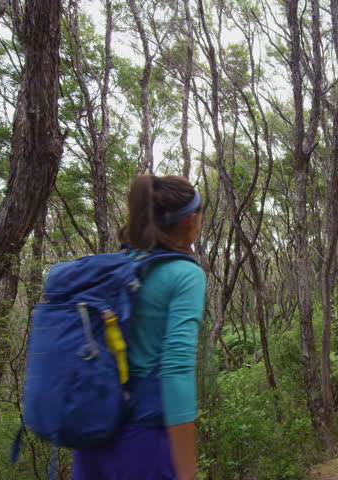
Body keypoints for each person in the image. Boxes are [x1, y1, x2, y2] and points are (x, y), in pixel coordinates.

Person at [72, 175, 206, 480]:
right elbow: (177, 369)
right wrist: (186, 470)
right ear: (190, 220)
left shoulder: (117, 267)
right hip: (143, 441)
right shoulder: (184, 274)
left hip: (92, 438)